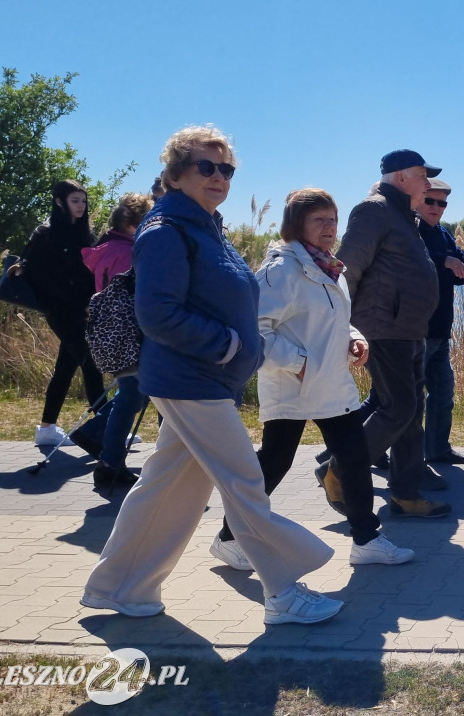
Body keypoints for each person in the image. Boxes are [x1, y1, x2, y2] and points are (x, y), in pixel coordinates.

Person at [82, 126, 341, 625]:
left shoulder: (206, 227)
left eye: (226, 169)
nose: (218, 176)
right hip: (189, 379)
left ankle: (119, 588)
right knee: (244, 483)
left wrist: (244, 349)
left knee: (166, 488)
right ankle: (283, 592)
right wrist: (228, 346)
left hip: (207, 379)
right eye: (206, 166)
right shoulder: (165, 231)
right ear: (176, 174)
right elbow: (157, 313)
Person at [209, 187, 413, 570]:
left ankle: (366, 540)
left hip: (330, 386)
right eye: (319, 219)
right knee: (275, 463)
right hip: (292, 386)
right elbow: (255, 330)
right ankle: (229, 537)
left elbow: (333, 321)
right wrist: (299, 362)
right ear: (296, 224)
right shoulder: (280, 271)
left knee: (354, 458)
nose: (329, 227)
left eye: (332, 219)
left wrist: (354, 339)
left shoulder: (329, 267)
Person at [335, 149, 450, 517]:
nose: (428, 184)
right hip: (382, 328)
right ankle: (340, 469)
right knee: (398, 407)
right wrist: (345, 327)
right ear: (401, 177)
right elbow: (347, 270)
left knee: (411, 411)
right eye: (422, 176)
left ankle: (405, 493)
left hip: (410, 330)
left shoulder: (403, 216)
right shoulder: (374, 210)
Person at [19, 180, 105, 447]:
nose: (81, 206)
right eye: (74, 201)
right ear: (59, 202)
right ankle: (106, 429)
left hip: (83, 311)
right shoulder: (45, 234)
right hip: (61, 312)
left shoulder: (83, 233)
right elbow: (41, 278)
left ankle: (46, 429)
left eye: (83, 201)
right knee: (90, 363)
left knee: (66, 368)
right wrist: (75, 304)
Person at [79, 193, 154, 488]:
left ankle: (104, 450)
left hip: (115, 335)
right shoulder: (128, 253)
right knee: (131, 398)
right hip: (130, 334)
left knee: (131, 396)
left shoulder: (108, 249)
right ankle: (109, 461)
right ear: (136, 224)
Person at [418, 178, 464, 465]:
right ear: (418, 200)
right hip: (415, 331)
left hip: (440, 330)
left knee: (443, 393)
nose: (436, 207)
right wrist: (443, 261)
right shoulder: (409, 231)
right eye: (430, 201)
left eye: (442, 203)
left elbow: (462, 275)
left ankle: (437, 450)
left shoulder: (444, 234)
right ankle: (355, 450)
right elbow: (412, 261)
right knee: (400, 400)